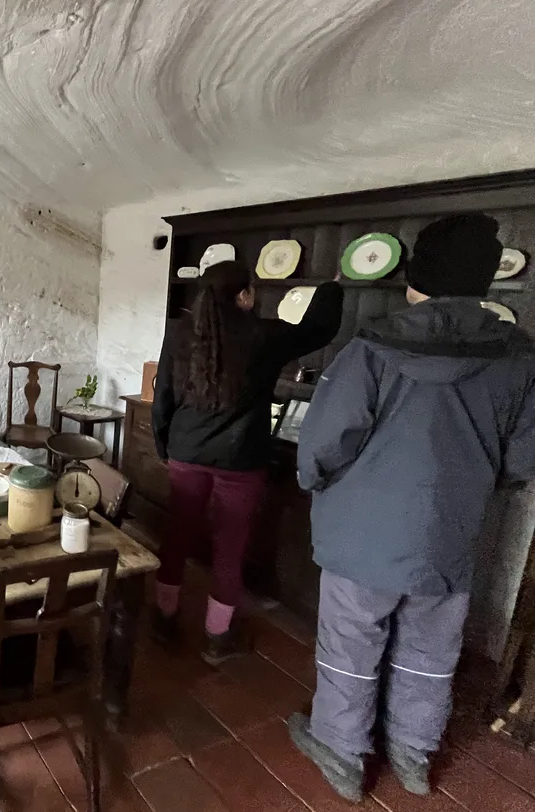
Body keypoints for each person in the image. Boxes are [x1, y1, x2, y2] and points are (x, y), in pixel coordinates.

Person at [288, 213, 535, 802]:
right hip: (452, 534)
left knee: (352, 639)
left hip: (363, 534)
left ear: (414, 281)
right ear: (483, 283)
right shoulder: (519, 359)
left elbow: (324, 440)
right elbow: (523, 459)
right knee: (431, 646)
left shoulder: (373, 348)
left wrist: (312, 478)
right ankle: (414, 752)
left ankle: (342, 753)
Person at [152, 261, 343, 664]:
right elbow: (319, 329)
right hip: (240, 460)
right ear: (243, 295)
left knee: (177, 536)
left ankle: (164, 617)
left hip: (186, 451)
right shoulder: (263, 335)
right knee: (230, 547)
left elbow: (163, 394)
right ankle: (217, 638)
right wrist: (329, 288)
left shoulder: (181, 332)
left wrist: (162, 444)